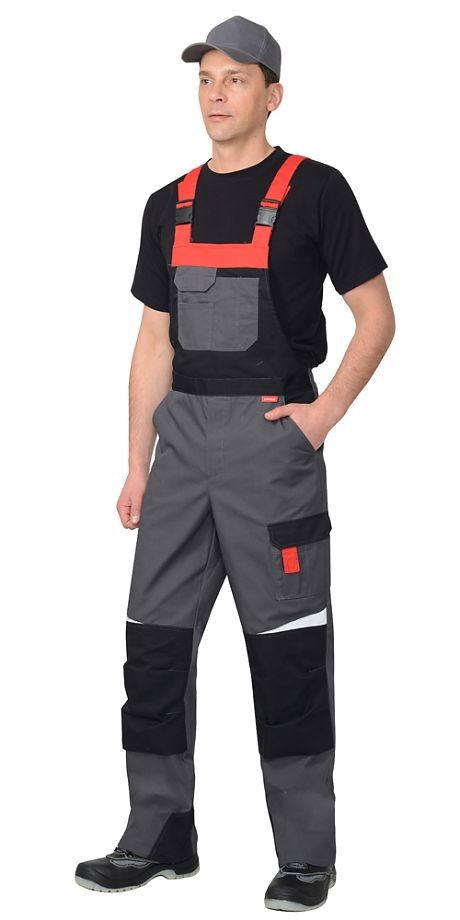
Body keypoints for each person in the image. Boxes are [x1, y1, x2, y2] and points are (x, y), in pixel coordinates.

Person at [75, 14, 395, 911]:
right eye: (206, 79)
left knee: (287, 651)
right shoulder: (166, 203)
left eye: (236, 80)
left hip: (270, 448)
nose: (216, 95)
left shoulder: (316, 190)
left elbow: (377, 315)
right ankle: (158, 834)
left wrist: (321, 418)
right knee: (153, 644)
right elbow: (153, 342)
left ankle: (306, 856)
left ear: (272, 94)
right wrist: (137, 463)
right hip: (180, 449)